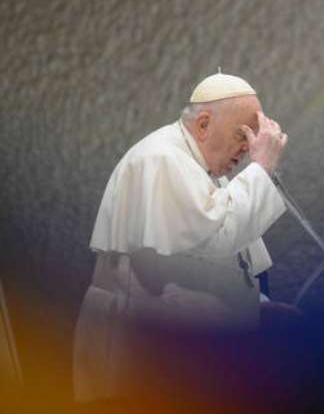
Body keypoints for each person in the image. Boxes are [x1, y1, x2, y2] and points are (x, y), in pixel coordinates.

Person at [72, 71, 289, 404]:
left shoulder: (202, 169)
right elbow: (218, 234)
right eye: (242, 134)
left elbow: (212, 266)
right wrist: (261, 168)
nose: (248, 149)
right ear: (203, 124)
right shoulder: (160, 159)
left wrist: (259, 308)